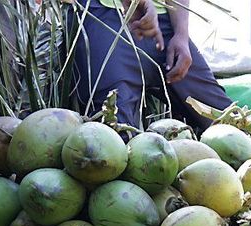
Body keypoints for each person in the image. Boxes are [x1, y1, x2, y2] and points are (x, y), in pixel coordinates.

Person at [71, 0, 232, 134]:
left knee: (230, 126)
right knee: (113, 133)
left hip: (163, 19)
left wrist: (181, 34)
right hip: (101, 13)